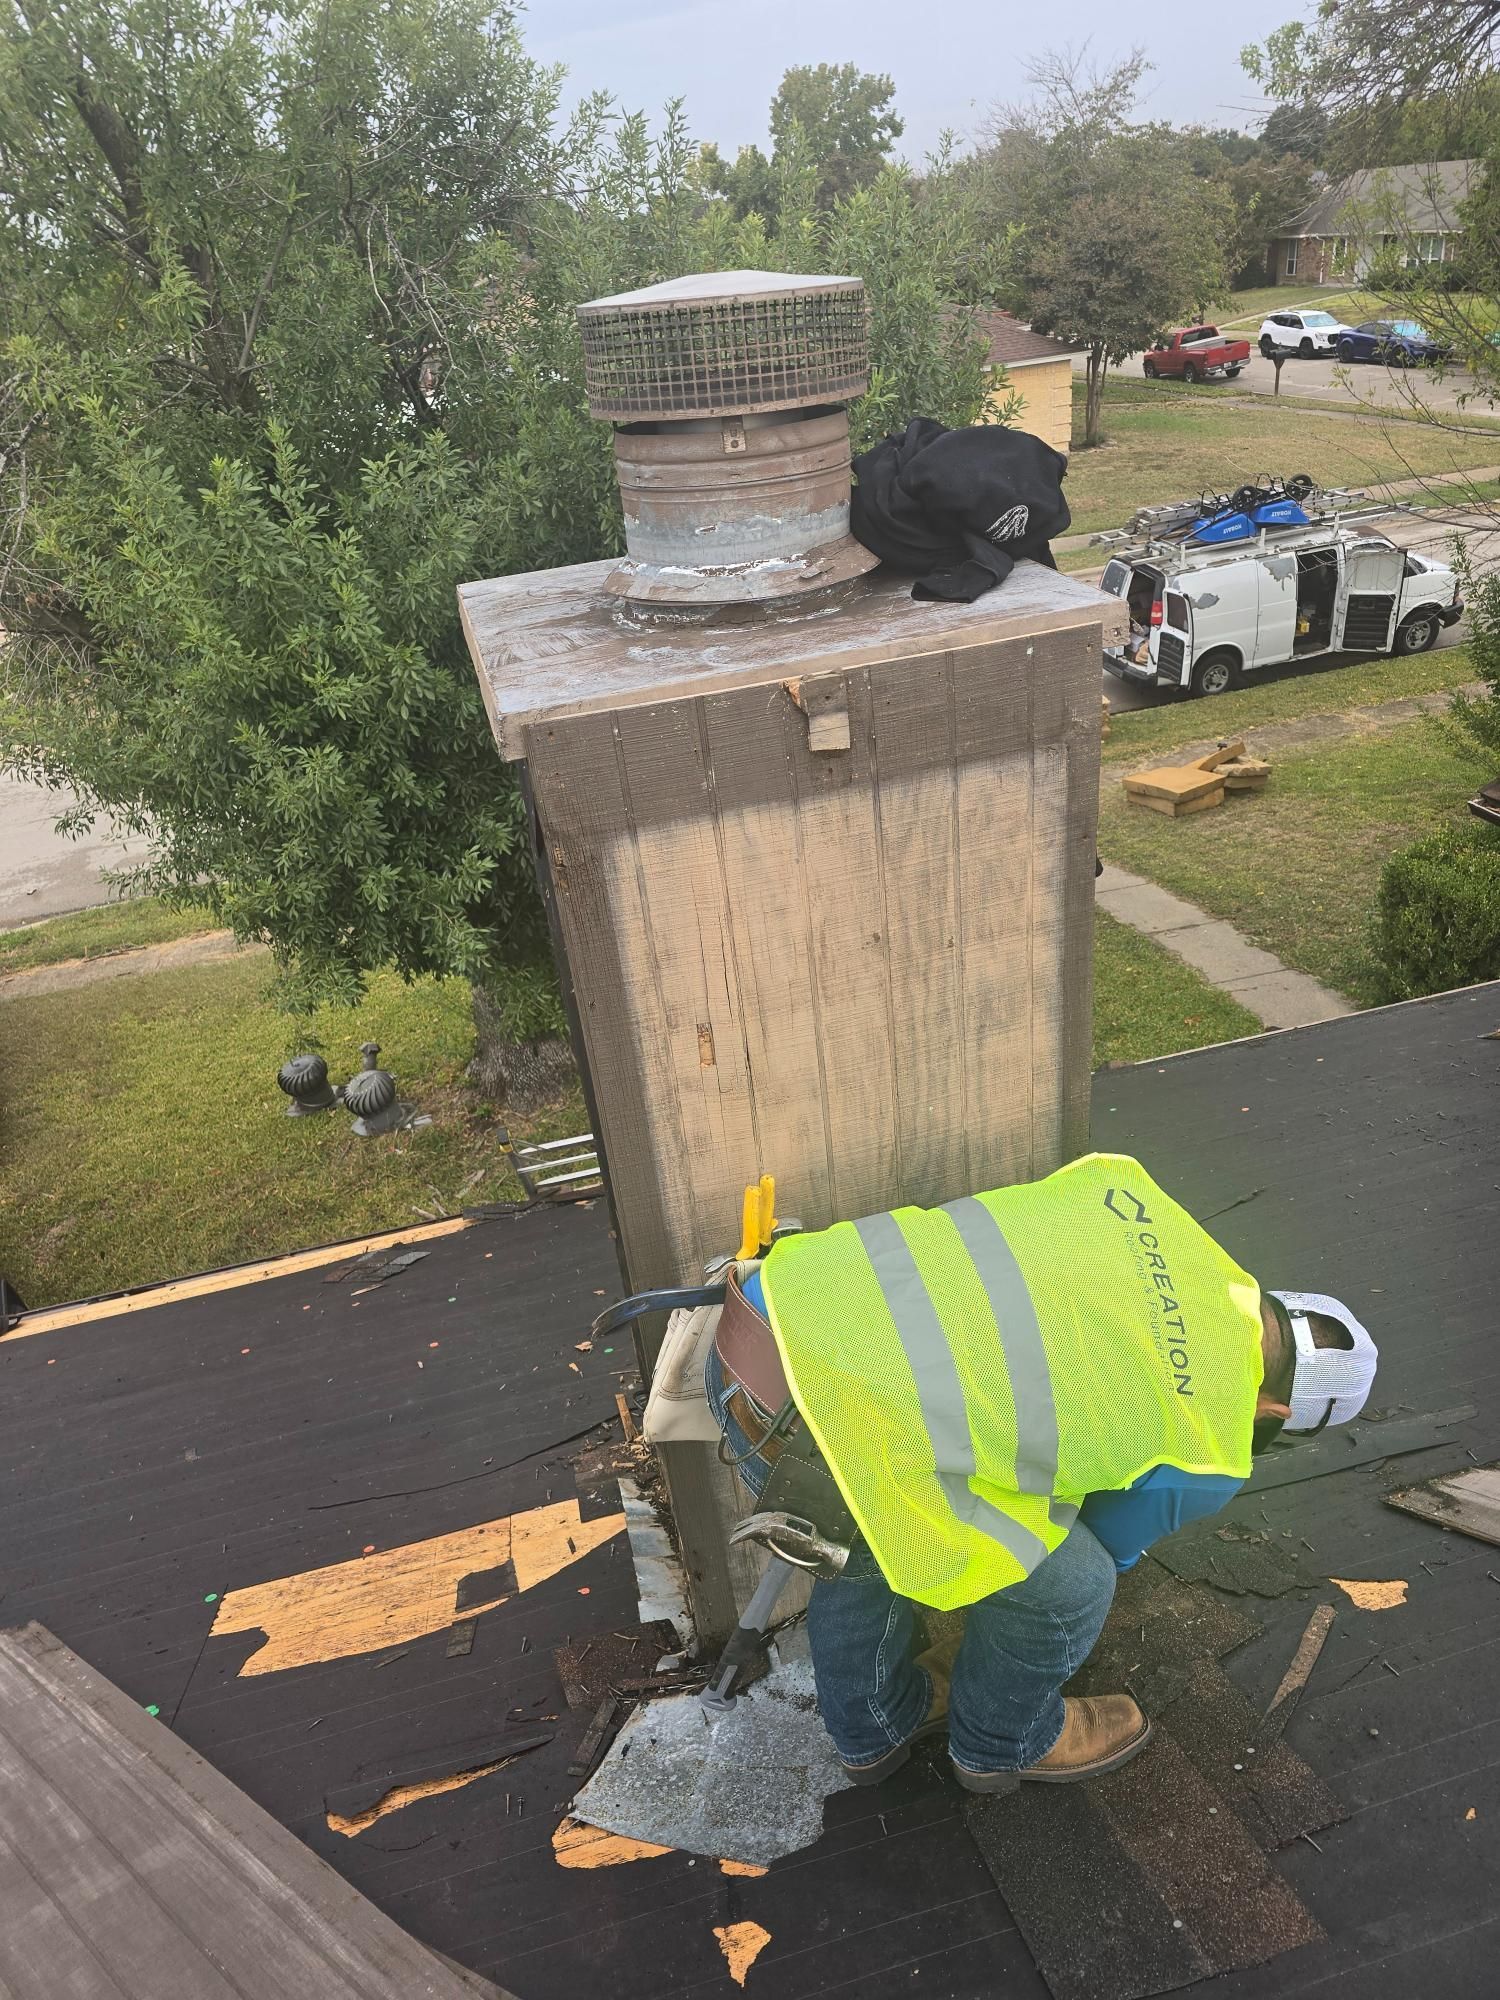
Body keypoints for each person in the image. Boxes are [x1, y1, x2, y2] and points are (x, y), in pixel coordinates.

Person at [705, 1151, 1377, 1795]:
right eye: (1271, 1435)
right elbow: (1095, 1536)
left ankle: (872, 1729)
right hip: (822, 1437)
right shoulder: (1214, 1447)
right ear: (1276, 1410)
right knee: (1074, 1584)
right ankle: (1001, 1745)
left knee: (866, 1526)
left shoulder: (1135, 1192)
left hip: (758, 1329)